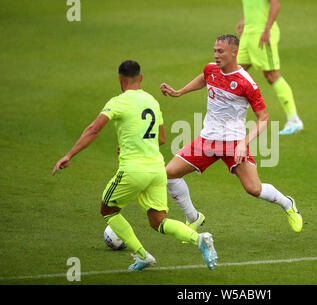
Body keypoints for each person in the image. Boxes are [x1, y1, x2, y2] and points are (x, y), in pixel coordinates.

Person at [52, 60, 218, 270]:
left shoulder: (118, 102)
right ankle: (199, 239)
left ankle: (142, 255)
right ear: (141, 78)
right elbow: (163, 138)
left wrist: (69, 155)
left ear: (120, 80)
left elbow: (94, 129)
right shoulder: (151, 101)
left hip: (133, 170)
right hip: (157, 169)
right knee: (159, 222)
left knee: (108, 211)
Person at [160, 34, 302, 235]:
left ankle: (288, 203)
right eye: (215, 51)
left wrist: (245, 142)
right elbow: (204, 78)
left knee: (254, 189)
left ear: (234, 53)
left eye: (221, 51)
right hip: (207, 140)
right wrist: (180, 92)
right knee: (170, 174)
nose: (216, 55)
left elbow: (264, 118)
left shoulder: (246, 83)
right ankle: (193, 217)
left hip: (234, 143)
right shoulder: (211, 69)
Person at [236, 0, 303, 135]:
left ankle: (294, 120)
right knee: (235, 71)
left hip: (262, 33)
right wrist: (244, 20)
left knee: (272, 75)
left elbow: (275, 4)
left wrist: (267, 29)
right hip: (248, 33)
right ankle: (228, 119)